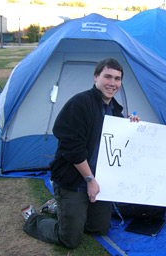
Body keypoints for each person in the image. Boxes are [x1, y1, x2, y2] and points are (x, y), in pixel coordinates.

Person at [21, 58, 140, 249]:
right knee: (70, 239)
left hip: (99, 180)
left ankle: (59, 207)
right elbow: (71, 147)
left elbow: (115, 141)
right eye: (107, 76)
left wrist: (129, 125)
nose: (112, 83)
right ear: (96, 77)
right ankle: (33, 218)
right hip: (74, 180)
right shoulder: (80, 103)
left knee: (99, 228)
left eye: (117, 79)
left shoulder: (115, 110)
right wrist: (90, 180)